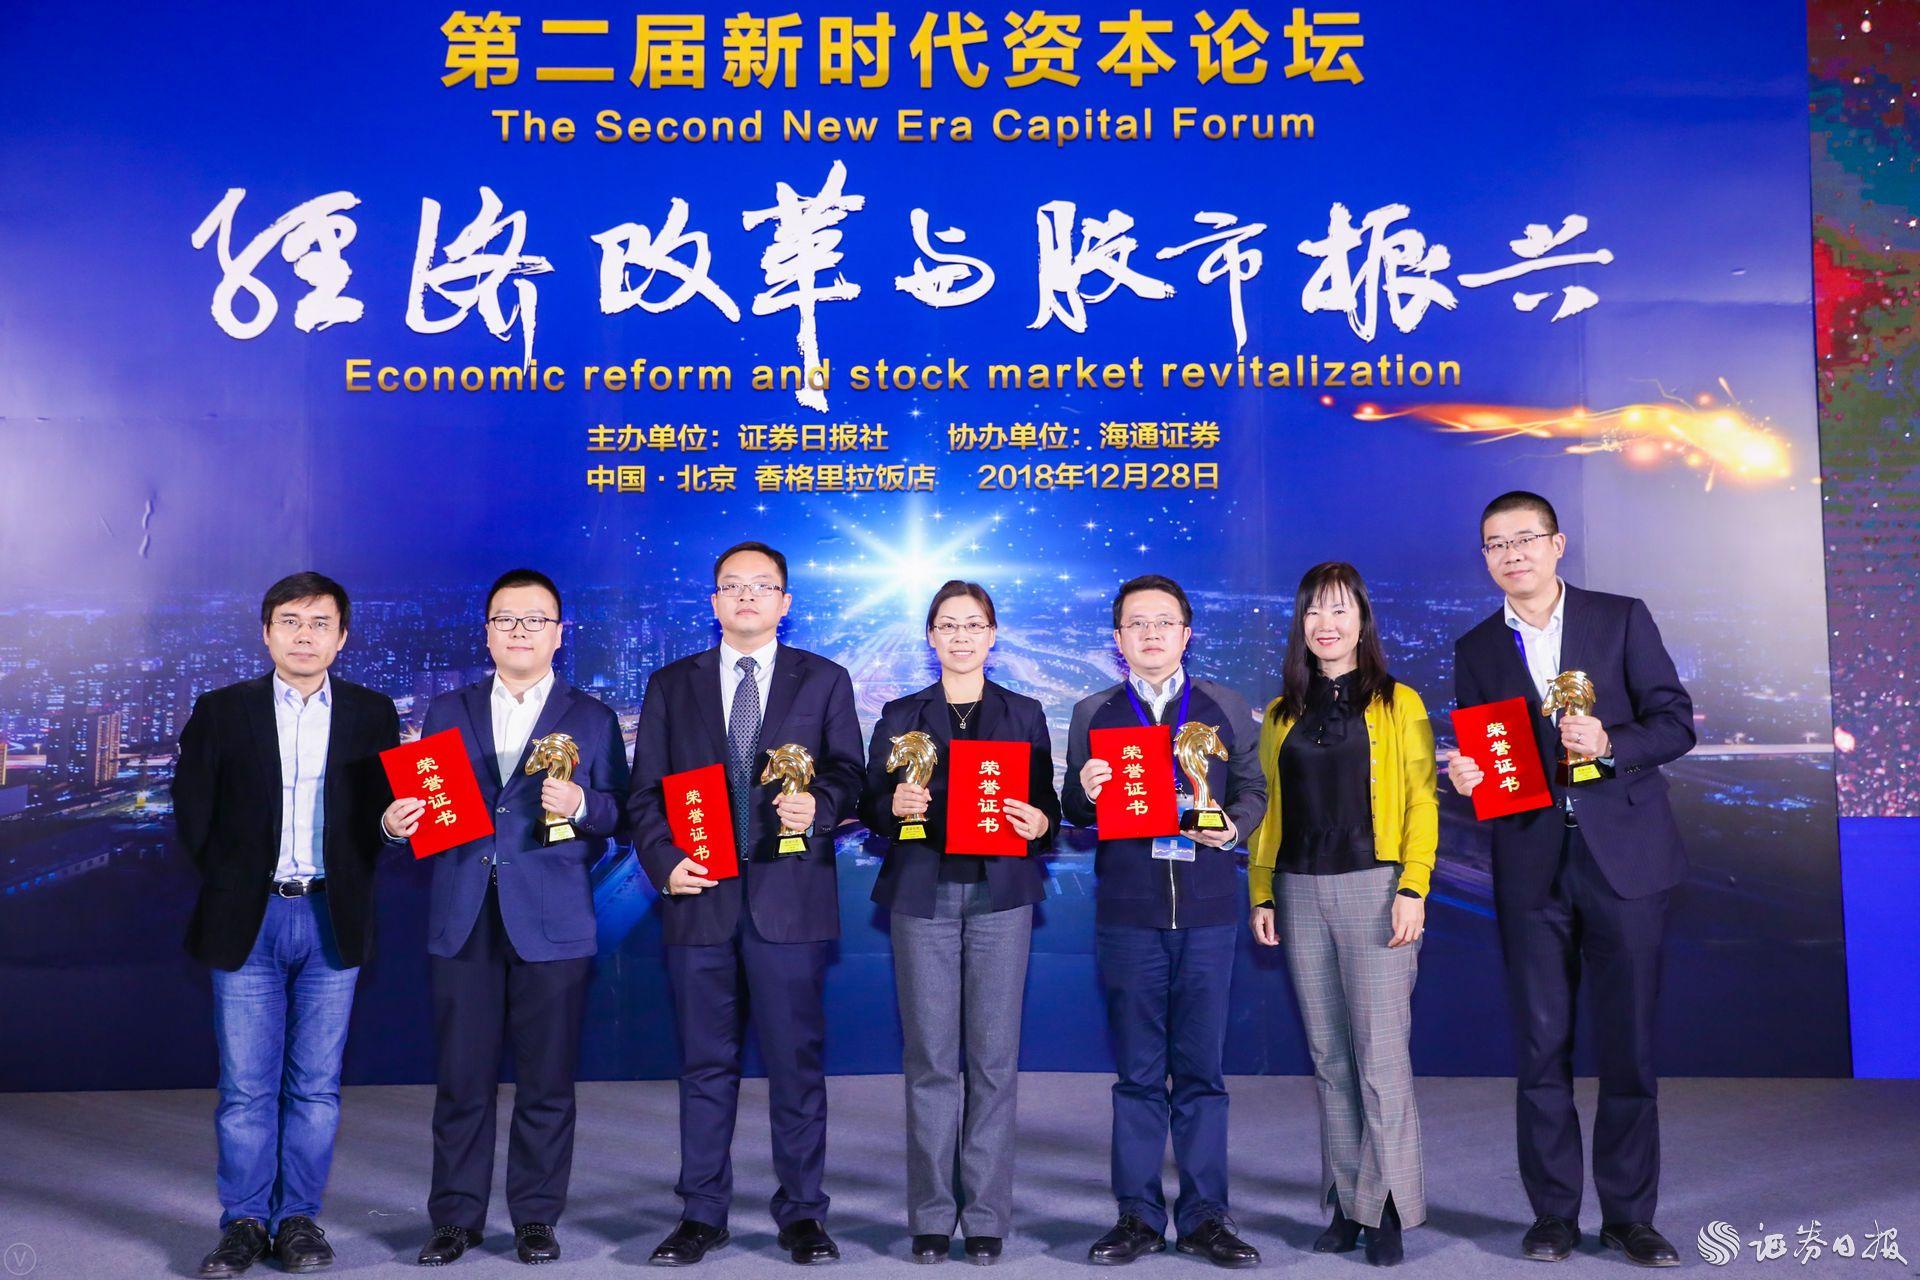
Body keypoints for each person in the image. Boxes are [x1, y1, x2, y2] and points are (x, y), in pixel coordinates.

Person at [1444, 491, 1692, 1268]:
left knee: (1629, 1047)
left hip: (1625, 862)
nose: (1511, 554)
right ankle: (1553, 1213)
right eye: (1495, 544)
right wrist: (1467, 777)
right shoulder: (1477, 647)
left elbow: (1675, 722)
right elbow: (1494, 763)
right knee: (1540, 1047)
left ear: (1556, 544)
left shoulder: (1619, 618)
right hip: (1532, 867)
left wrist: (1609, 743)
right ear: (1485, 559)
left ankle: (1629, 1217)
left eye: (1524, 539)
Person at [627, 541, 865, 1267]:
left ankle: (803, 1214)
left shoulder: (823, 679)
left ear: (785, 602)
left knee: (796, 1066)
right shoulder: (673, 684)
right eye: (732, 585)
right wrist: (664, 862)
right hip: (699, 897)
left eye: (762, 586)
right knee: (704, 1065)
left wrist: (819, 807)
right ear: (714, 602)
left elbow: (850, 773)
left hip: (789, 900)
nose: (747, 596)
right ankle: (702, 1213)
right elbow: (645, 792)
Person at [399, 570, 629, 1267]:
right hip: (464, 915)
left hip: (552, 921)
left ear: (560, 634)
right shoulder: (447, 708)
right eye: (506, 619)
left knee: (547, 1082)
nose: (520, 631)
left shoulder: (592, 717)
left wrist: (582, 806)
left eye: (535, 620)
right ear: (488, 632)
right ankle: (455, 1219)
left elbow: (620, 813)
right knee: (461, 1081)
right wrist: (399, 822)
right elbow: (432, 811)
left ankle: (535, 1217)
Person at [173, 572, 401, 1277]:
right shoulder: (222, 710)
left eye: (320, 623)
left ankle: (298, 1219)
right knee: (246, 1087)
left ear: (343, 637)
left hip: (334, 915)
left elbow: (382, 817)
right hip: (249, 917)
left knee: (316, 1086)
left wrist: (391, 829)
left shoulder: (372, 712)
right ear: (267, 633)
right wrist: (234, 882)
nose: (306, 636)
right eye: (291, 622)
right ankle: (243, 1223)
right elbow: (193, 814)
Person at [1060, 574, 1266, 1269]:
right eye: (1136, 624)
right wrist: (1084, 792)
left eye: (1164, 622)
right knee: (1138, 1073)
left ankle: (1207, 1216)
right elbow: (1074, 810)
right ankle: (1139, 1216)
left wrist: (1231, 828)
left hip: (1207, 912)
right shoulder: (1093, 711)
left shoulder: (1223, 705)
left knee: (1202, 1072)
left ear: (1186, 633)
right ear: (1118, 639)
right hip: (1129, 913)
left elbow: (1253, 789)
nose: (1151, 634)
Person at [858, 580, 1062, 1266]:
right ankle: (929, 1215)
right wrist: (894, 807)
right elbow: (870, 806)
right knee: (931, 1061)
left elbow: (1046, 804)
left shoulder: (1024, 713)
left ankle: (985, 1216)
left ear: (993, 635)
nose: (961, 636)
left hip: (1002, 896)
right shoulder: (900, 714)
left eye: (973, 625)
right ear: (931, 636)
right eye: (948, 625)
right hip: (923, 895)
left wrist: (1038, 822)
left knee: (993, 1061)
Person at [1246, 563, 1434, 1268]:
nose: (1326, 625)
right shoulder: (1280, 712)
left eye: (1339, 611)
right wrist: (1261, 891)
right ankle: (1349, 1204)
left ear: (1362, 621)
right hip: (1299, 889)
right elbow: (1267, 811)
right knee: (1328, 1059)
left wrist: (1414, 886)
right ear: (1300, 625)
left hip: (1375, 888)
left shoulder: (1400, 702)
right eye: (1313, 612)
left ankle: (1388, 1207)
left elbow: (1421, 798)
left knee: (1380, 1057)